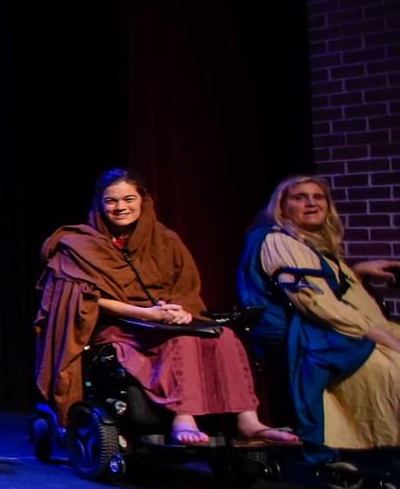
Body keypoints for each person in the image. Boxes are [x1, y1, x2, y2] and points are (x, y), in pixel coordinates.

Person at [33, 168, 295, 445]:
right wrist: (146, 314)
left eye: (129, 199)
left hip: (162, 320)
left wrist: (179, 309)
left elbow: (186, 288)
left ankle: (248, 421)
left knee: (225, 337)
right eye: (111, 201)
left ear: (143, 200)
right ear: (100, 204)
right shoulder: (79, 244)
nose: (121, 207)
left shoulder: (165, 239)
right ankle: (183, 417)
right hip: (118, 329)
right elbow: (81, 299)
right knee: (180, 340)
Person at [239, 175, 399, 457]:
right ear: (282, 207)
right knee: (390, 366)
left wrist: (358, 271)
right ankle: (369, 448)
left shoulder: (313, 246)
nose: (311, 203)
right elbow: (312, 301)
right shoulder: (279, 241)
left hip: (325, 326)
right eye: (300, 197)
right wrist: (375, 333)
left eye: (318, 197)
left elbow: (333, 291)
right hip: (300, 334)